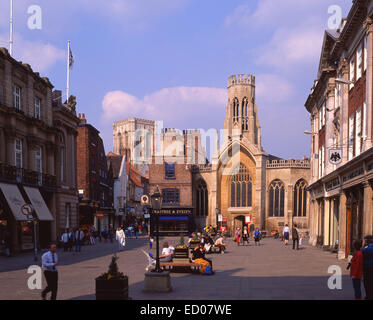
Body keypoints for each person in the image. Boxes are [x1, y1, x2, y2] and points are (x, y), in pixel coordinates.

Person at [362, 235, 373, 300]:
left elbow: (359, 254)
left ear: (367, 241)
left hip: (367, 268)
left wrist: (363, 246)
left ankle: (369, 296)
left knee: (367, 283)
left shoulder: (367, 249)